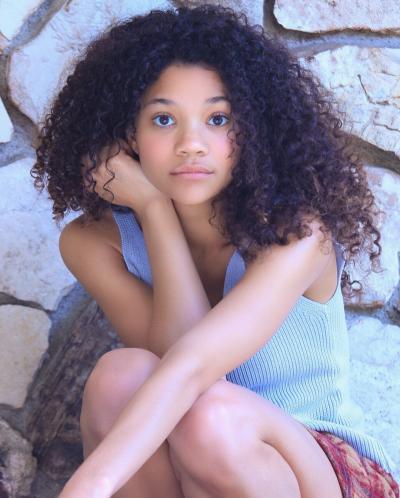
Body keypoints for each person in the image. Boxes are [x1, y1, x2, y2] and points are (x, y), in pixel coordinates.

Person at [31, 4, 399, 498]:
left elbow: (197, 371)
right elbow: (174, 363)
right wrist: (155, 212)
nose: (191, 144)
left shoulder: (297, 235)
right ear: (128, 134)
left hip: (319, 467)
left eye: (218, 119)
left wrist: (88, 486)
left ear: (254, 130)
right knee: (119, 377)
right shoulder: (92, 243)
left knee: (212, 416)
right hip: (198, 450)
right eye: (163, 119)